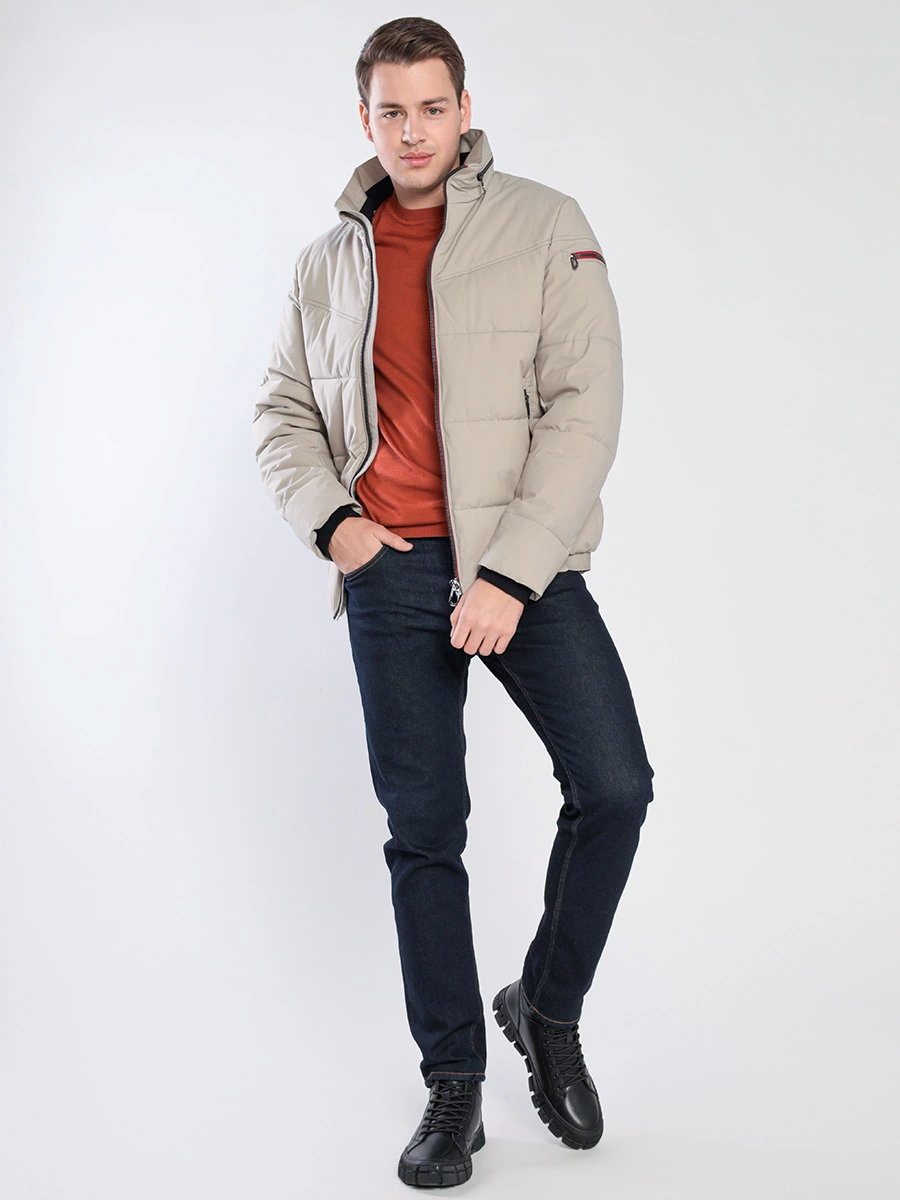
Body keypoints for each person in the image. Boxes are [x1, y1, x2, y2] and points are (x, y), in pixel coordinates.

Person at [252, 15, 656, 1190]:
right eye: (393, 111)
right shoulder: (327, 261)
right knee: (424, 831)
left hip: (524, 561)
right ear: (365, 119)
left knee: (616, 787)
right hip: (390, 569)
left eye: (434, 107)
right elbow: (281, 413)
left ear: (465, 109)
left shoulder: (546, 224)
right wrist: (338, 528)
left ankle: (545, 1006)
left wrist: (511, 573)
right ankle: (455, 1084)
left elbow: (586, 407)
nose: (415, 130)